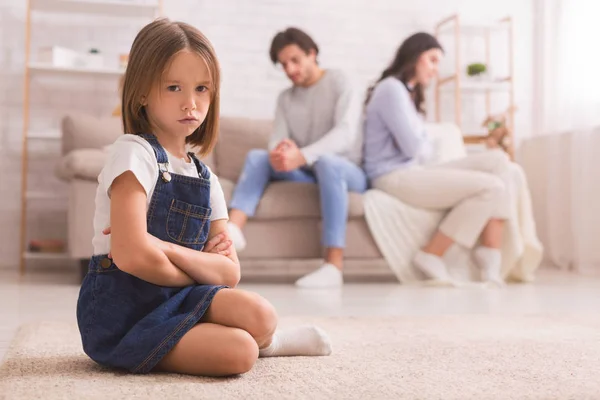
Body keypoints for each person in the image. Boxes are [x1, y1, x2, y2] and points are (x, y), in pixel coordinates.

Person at [76, 19, 331, 378]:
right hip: (123, 314)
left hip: (180, 299)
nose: (191, 103)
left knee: (261, 314)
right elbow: (131, 256)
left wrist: (164, 248)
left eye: (202, 89)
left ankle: (267, 339)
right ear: (142, 92)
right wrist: (198, 268)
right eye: (174, 87)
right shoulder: (133, 154)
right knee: (240, 352)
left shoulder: (204, 176)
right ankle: (263, 345)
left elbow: (229, 272)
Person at [363, 32, 514, 286]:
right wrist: (423, 142)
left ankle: (490, 255)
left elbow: (421, 148)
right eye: (432, 60)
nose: (435, 70)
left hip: (415, 169)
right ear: (414, 56)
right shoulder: (390, 89)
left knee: (499, 161)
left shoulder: (407, 94)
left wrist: (422, 142)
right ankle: (431, 255)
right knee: (492, 187)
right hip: (392, 176)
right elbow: (414, 148)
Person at [227, 27, 366, 289]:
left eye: (294, 60)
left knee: (327, 163)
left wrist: (302, 155)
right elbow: (276, 140)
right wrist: (282, 151)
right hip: (307, 171)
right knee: (258, 157)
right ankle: (233, 230)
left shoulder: (340, 81)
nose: (289, 69)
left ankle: (332, 265)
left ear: (312, 54)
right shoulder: (285, 98)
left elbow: (345, 134)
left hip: (346, 171)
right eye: (283, 64)